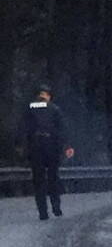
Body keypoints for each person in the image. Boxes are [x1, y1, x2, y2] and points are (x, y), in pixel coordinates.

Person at [22, 84, 74, 220]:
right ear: (48, 96)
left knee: (38, 181)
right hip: (51, 147)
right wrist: (67, 146)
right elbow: (62, 129)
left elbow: (23, 129)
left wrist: (22, 147)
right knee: (53, 178)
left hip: (35, 148)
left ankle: (43, 212)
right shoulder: (54, 108)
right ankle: (56, 208)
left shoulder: (29, 109)